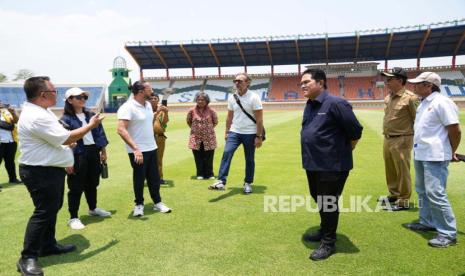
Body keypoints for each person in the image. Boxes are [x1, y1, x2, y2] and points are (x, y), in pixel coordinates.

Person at [17, 76, 104, 276]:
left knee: (52, 207)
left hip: (49, 169)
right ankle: (27, 257)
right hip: (40, 171)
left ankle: (47, 245)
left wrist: (65, 149)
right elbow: (67, 136)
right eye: (54, 91)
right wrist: (90, 126)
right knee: (43, 211)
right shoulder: (37, 115)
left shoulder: (41, 112)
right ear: (43, 95)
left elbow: (56, 140)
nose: (56, 93)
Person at [300, 69, 363, 261]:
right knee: (318, 198)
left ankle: (328, 242)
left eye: (306, 82)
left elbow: (355, 131)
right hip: (313, 163)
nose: (302, 86)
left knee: (328, 202)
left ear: (320, 83)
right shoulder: (310, 104)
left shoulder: (336, 103)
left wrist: (341, 152)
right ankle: (324, 228)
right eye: (300, 83)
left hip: (332, 165)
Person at [405, 72, 461, 247]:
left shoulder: (442, 103)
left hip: (435, 155)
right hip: (421, 152)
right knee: (422, 190)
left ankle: (448, 233)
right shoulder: (424, 103)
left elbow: (455, 130)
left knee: (436, 193)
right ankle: (427, 221)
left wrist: (452, 151)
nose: (414, 86)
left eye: (418, 84)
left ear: (429, 86)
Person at [117, 80, 171, 217]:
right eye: (149, 89)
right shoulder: (128, 107)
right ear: (141, 91)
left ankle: (157, 202)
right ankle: (139, 204)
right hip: (138, 151)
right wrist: (136, 149)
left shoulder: (147, 105)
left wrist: (157, 112)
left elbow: (146, 121)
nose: (152, 91)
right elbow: (121, 129)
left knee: (154, 178)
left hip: (152, 147)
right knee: (139, 178)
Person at [61, 87, 111, 230]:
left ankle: (93, 208)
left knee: (92, 182)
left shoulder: (91, 115)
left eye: (84, 97)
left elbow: (100, 133)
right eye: (79, 97)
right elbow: (63, 142)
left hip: (92, 151)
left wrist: (103, 150)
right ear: (70, 100)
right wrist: (67, 161)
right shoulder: (65, 119)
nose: (82, 99)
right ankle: (73, 217)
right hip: (77, 154)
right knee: (76, 185)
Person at [209, 72, 264, 194]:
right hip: (235, 132)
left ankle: (247, 182)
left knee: (249, 158)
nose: (237, 83)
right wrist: (227, 131)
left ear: (248, 83)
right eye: (235, 81)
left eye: (240, 81)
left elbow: (259, 119)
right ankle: (221, 181)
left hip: (250, 133)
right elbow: (229, 116)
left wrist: (258, 136)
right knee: (227, 153)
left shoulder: (254, 97)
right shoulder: (232, 97)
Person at [379, 67, 419, 211]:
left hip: (402, 139)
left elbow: (418, 120)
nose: (386, 82)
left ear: (400, 81)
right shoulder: (389, 97)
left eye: (390, 79)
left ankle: (403, 200)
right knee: (390, 168)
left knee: (402, 170)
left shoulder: (411, 98)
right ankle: (394, 194)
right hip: (388, 138)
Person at [187, 92, 218, 180]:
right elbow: (189, 121)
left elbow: (215, 122)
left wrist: (207, 129)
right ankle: (200, 174)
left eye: (202, 100)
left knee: (209, 156)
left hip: (209, 137)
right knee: (198, 156)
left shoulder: (212, 111)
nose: (200, 101)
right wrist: (196, 129)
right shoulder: (191, 111)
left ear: (207, 101)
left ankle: (210, 174)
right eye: (198, 99)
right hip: (196, 138)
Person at [148, 93, 169, 184]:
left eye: (155, 98)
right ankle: (148, 178)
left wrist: (166, 112)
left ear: (158, 100)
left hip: (159, 137)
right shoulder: (145, 110)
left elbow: (165, 122)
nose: (153, 100)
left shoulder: (162, 111)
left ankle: (159, 177)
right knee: (147, 159)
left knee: (158, 159)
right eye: (151, 98)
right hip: (147, 138)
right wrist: (156, 113)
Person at [0, 101, 22, 184]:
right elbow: (9, 126)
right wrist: (9, 125)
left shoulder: (6, 112)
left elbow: (16, 121)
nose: (1, 104)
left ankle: (13, 178)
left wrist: (13, 112)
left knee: (10, 161)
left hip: (11, 140)